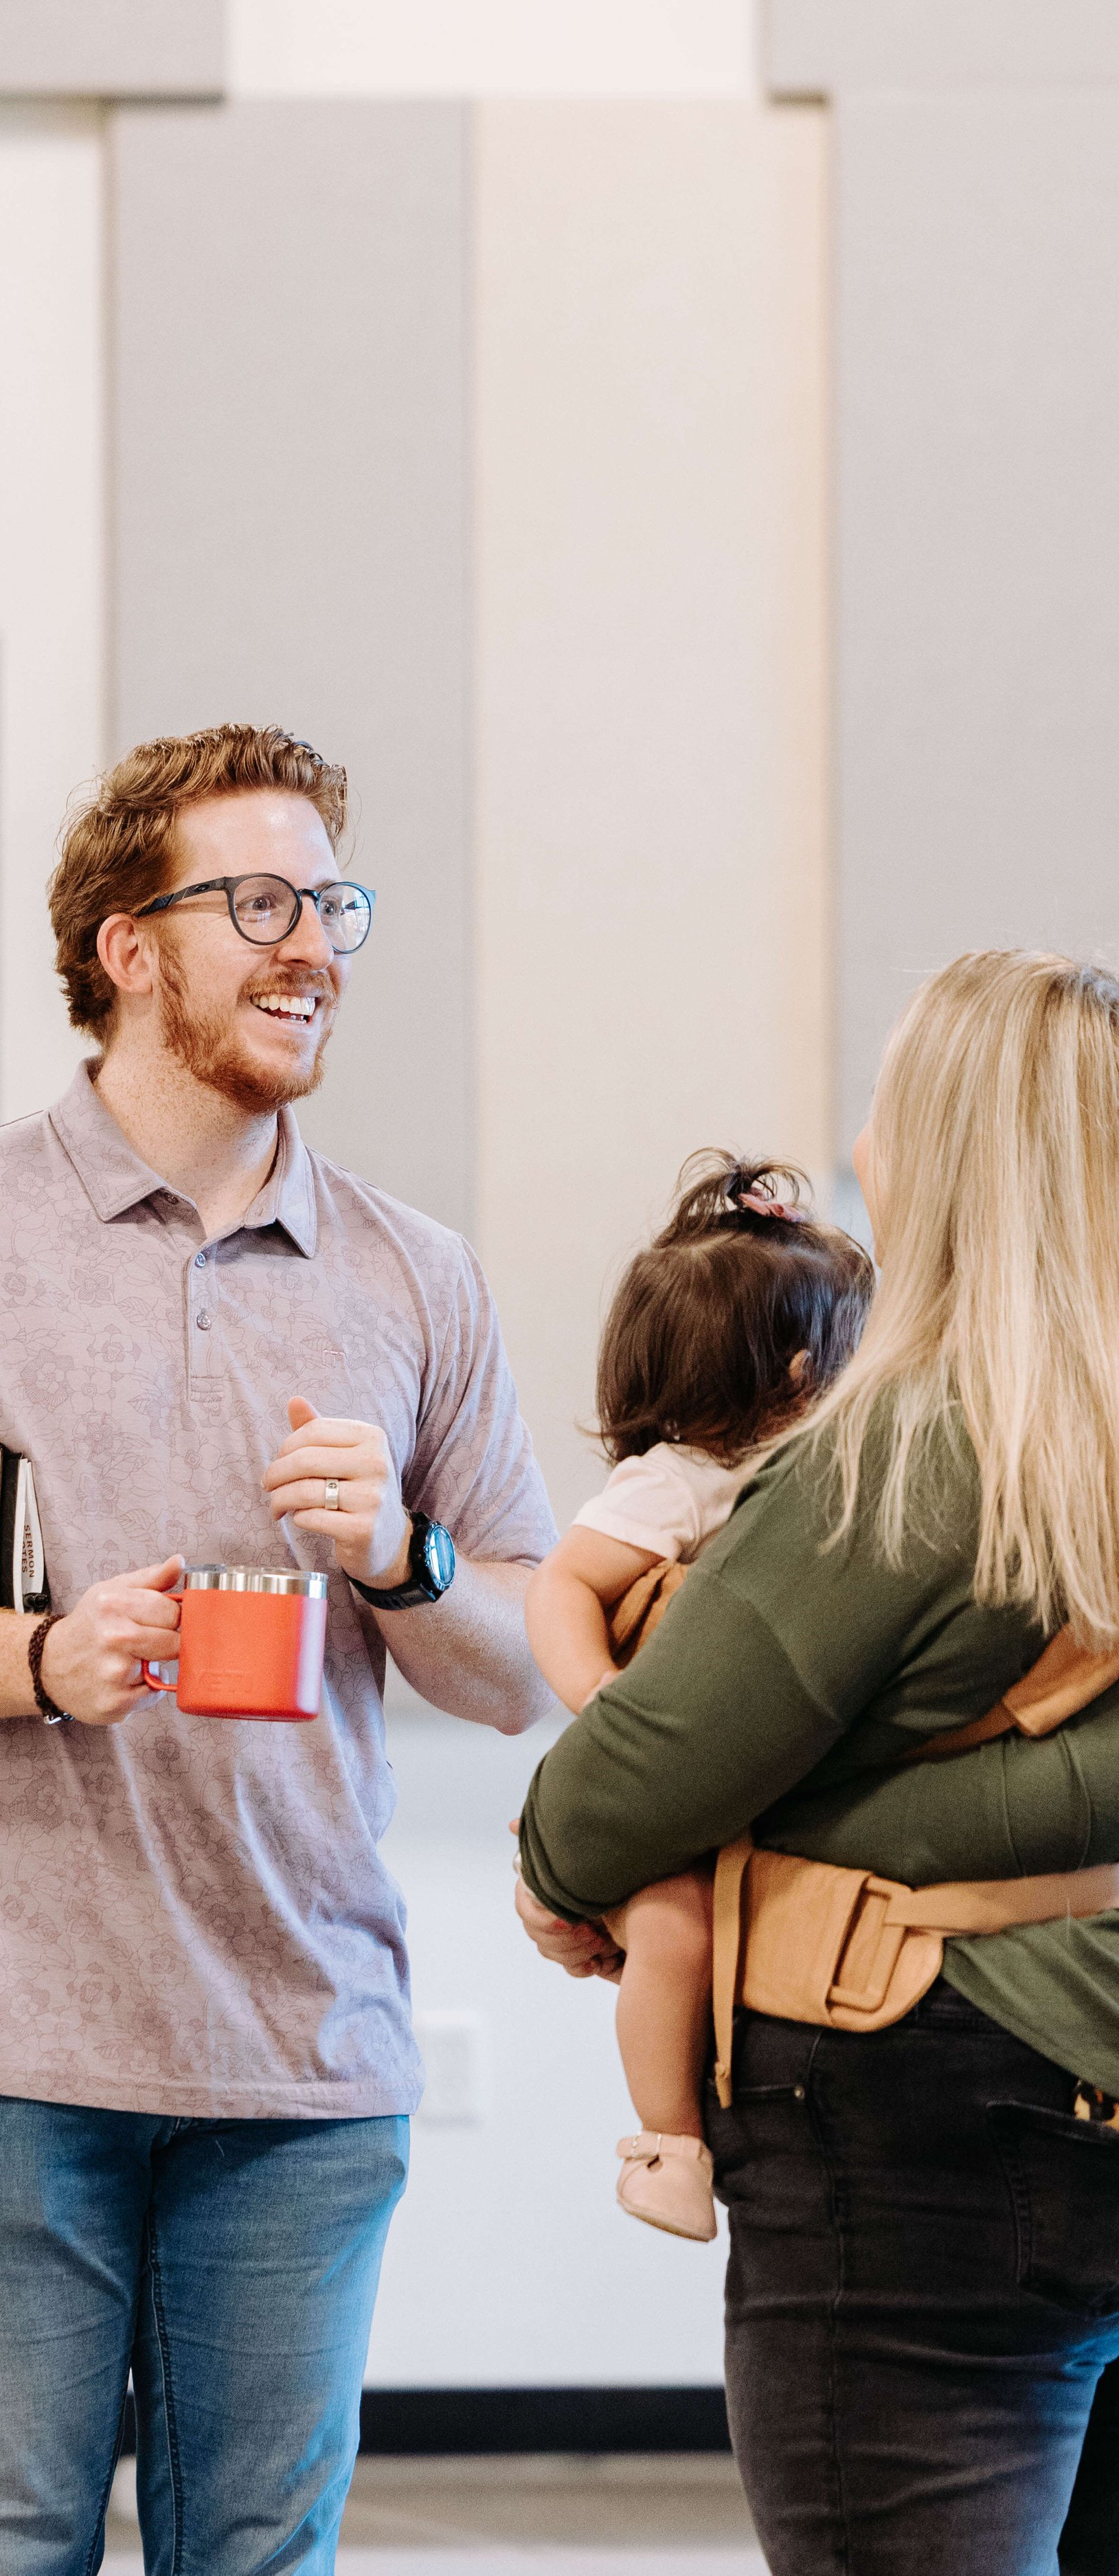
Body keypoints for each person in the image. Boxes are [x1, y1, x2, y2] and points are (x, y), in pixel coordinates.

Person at [0, 722, 556, 2576]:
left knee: (259, 2557)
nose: (314, 943)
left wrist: (406, 1558)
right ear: (128, 944)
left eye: (333, 900)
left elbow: (522, 1667)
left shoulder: (410, 1271)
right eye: (257, 900)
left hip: (300, 2064)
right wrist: (30, 1656)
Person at [514, 950, 1119, 2576]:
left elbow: (614, 1797)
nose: (858, 1151)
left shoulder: (902, 1453)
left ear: (935, 1152)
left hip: (918, 2126)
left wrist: (595, 1865)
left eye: (881, 1111)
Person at [524, 1154, 871, 2241]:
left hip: (756, 1803)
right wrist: (607, 1697)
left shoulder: (830, 1475)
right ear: (809, 1372)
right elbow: (561, 1584)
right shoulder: (682, 1480)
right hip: (676, 1795)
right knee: (673, 1926)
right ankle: (667, 2140)